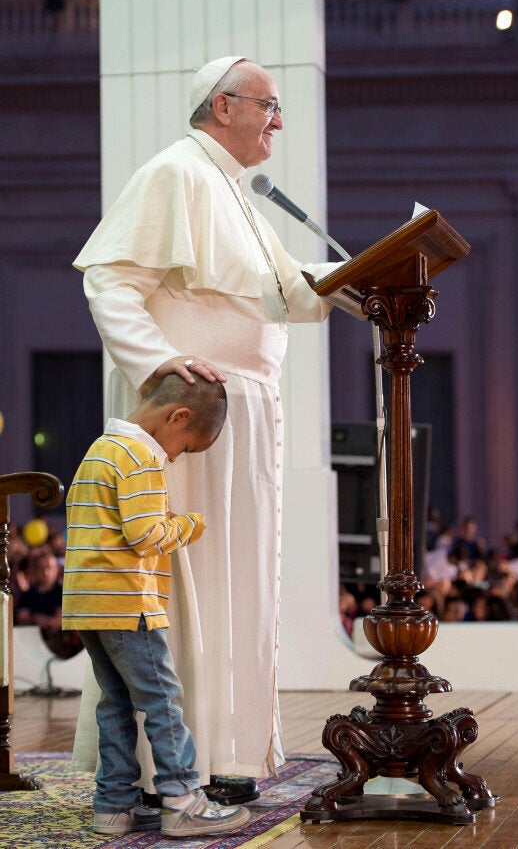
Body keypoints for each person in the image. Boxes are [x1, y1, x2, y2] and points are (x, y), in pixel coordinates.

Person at [71, 56, 336, 803]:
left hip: (243, 412)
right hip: (186, 414)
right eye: (269, 106)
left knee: (235, 585)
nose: (278, 121)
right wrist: (163, 366)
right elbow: (109, 278)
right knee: (183, 585)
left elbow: (291, 291)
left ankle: (226, 751)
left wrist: (364, 278)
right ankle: (166, 770)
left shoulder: (240, 194)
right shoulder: (176, 172)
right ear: (224, 106)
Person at [63, 373, 250, 838]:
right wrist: (189, 524)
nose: (173, 456)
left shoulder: (99, 450)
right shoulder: (141, 456)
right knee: (163, 700)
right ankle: (183, 799)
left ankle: (113, 805)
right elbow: (147, 534)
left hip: (89, 606)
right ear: (177, 416)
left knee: (115, 704)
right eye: (183, 447)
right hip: (130, 604)